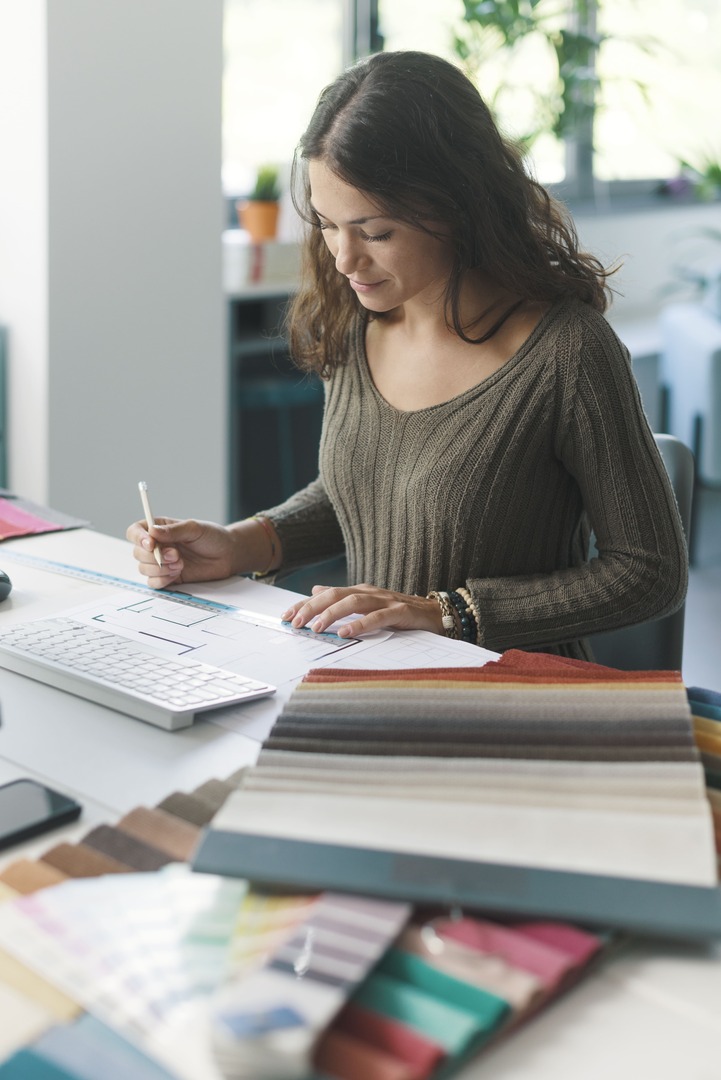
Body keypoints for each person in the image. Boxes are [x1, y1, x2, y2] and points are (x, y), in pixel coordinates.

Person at [127, 50, 687, 660]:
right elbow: (372, 490)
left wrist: (449, 613)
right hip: (374, 676)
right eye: (327, 225)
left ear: (457, 203)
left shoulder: (567, 353)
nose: (344, 259)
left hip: (513, 704)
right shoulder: (354, 319)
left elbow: (650, 572)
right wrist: (244, 543)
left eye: (375, 232)